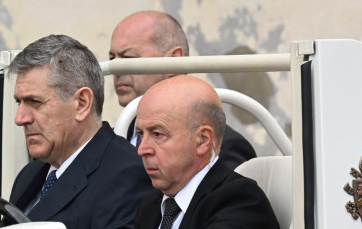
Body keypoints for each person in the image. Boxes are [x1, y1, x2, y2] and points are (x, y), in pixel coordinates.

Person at [74, 75, 282, 229]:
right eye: (140, 134)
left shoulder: (240, 201)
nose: (142, 149)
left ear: (202, 140)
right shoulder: (151, 205)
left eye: (157, 134)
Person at [7, 34, 155, 229]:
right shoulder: (30, 174)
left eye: (35, 102)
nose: (21, 118)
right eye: (20, 102)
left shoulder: (127, 174)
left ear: (82, 104)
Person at [109, 11, 256, 169]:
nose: (116, 69)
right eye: (112, 59)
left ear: (174, 60)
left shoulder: (220, 147)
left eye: (129, 57)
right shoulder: (114, 138)